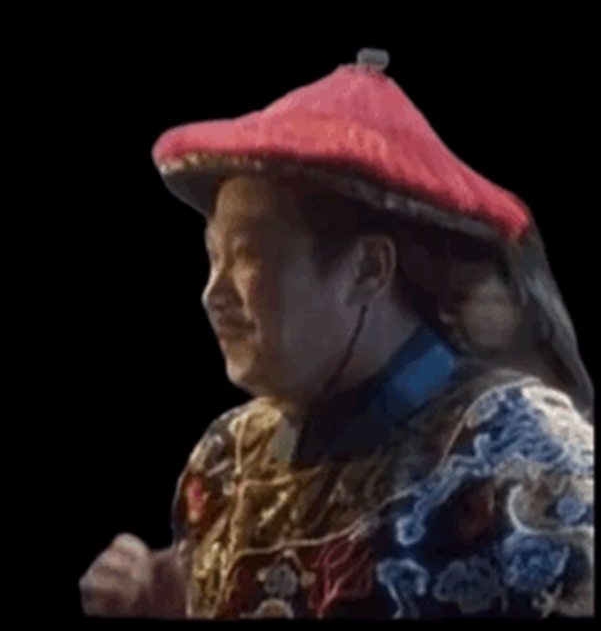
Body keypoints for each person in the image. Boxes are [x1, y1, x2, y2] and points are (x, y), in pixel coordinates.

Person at [79, 48, 594, 619]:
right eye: (212, 257)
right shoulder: (225, 459)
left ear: (369, 268)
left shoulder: (529, 456)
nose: (212, 293)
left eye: (248, 256)